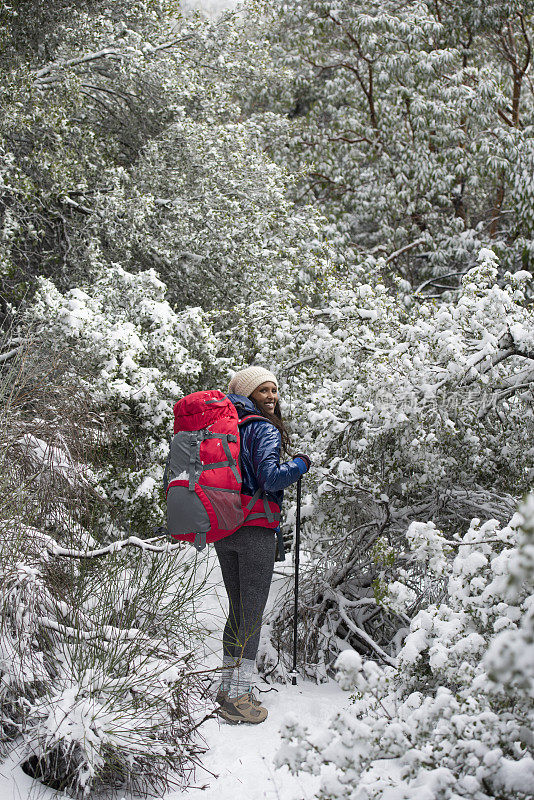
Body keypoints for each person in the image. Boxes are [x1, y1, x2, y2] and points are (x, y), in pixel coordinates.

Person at [215, 366, 311, 724]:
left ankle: (228, 688)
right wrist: (299, 465)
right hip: (255, 529)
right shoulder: (262, 428)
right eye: (263, 390)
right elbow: (270, 477)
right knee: (251, 614)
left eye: (274, 390)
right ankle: (239, 697)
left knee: (238, 610)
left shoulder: (226, 426)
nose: (271, 397)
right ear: (248, 394)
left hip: (224, 528)